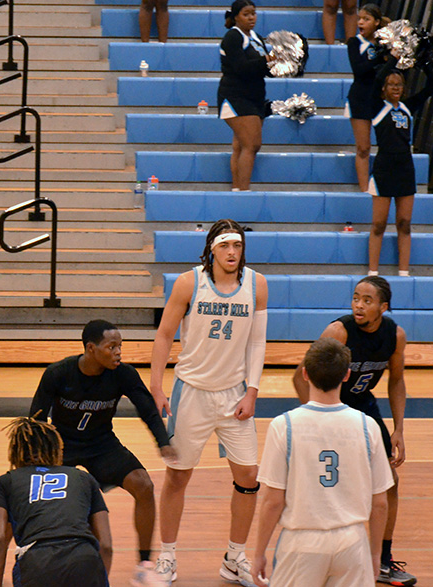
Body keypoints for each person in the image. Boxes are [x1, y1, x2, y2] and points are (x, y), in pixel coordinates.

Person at [150, 218, 268, 586]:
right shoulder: (190, 283)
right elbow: (165, 335)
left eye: (237, 246)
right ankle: (167, 556)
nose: (232, 252)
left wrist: (253, 390)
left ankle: (234, 557)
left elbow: (256, 343)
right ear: (212, 249)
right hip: (193, 392)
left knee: (249, 477)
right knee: (178, 476)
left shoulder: (257, 285)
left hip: (234, 394)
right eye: (225, 246)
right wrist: (156, 387)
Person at [291, 277, 416, 586]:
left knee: (390, 482)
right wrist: (315, 417)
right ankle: (311, 557)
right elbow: (300, 376)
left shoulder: (395, 335)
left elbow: (396, 381)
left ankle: (383, 560)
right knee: (328, 486)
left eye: (367, 300)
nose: (359, 305)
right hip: (331, 408)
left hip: (365, 410)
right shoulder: (339, 331)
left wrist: (399, 428)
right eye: (356, 298)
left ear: (383, 307)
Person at [29, 320, 177, 582]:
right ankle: (17, 553)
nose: (118, 352)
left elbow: (147, 409)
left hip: (101, 444)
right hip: (63, 445)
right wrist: (36, 458)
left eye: (120, 346)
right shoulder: (58, 373)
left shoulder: (124, 374)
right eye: (111, 347)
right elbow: (36, 419)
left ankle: (143, 566)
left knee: (143, 485)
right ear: (90, 348)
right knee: (33, 495)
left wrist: (163, 441)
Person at [254, 338, 392, 587]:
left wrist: (258, 552)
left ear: (304, 374)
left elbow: (273, 501)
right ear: (347, 375)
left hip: (301, 543)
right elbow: (380, 503)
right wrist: (374, 554)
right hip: (353, 541)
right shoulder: (367, 426)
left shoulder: (283, 426)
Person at [0, 417, 113, 587]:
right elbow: (106, 546)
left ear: (15, 451)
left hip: (38, 562)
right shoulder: (83, 478)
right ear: (55, 449)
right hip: (85, 559)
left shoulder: (3, 483)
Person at [366, 53, 433, 277]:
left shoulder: (407, 107)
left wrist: (423, 60)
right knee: (379, 224)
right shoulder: (377, 106)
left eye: (399, 84)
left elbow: (429, 87)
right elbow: (376, 81)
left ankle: (403, 272)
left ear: (404, 88)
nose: (395, 87)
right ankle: (373, 272)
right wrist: (394, 57)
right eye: (391, 84)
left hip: (405, 169)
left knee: (404, 223)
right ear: (384, 89)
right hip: (384, 168)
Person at [217, 0, 276, 191]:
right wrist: (267, 59)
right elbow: (241, 68)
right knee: (252, 144)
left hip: (256, 97)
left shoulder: (257, 38)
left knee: (241, 146)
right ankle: (243, 191)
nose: (251, 17)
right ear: (235, 17)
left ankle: (237, 190)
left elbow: (264, 69)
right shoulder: (233, 37)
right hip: (236, 96)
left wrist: (284, 64)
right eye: (246, 14)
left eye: (254, 13)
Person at [345, 4, 388, 192]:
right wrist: (381, 57)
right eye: (359, 18)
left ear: (377, 22)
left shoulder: (384, 43)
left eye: (366, 19)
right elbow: (359, 70)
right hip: (360, 98)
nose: (360, 22)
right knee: (363, 148)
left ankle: (383, 186)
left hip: (380, 99)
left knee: (387, 146)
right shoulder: (355, 42)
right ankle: (364, 190)